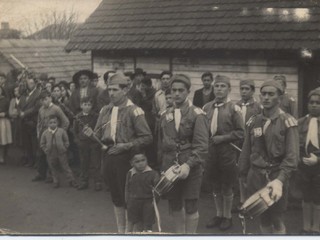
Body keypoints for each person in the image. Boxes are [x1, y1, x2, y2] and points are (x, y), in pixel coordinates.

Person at [83, 72, 152, 233]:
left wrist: (126, 146)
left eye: (115, 90)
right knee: (116, 198)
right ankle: (121, 232)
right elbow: (98, 135)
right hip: (108, 158)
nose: (111, 94)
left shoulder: (134, 111)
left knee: (129, 199)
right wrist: (91, 135)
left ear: (125, 90)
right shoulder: (105, 110)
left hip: (128, 159)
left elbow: (147, 137)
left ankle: (131, 232)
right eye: (109, 90)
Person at [238, 80, 299, 234]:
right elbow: (246, 151)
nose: (266, 97)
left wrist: (280, 180)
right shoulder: (254, 121)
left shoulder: (287, 122)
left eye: (271, 94)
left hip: (277, 176)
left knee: (277, 219)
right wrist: (243, 176)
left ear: (279, 98)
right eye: (263, 94)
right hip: (256, 175)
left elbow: (292, 157)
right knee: (263, 217)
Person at [158, 74, 208, 233]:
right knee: (174, 203)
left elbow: (202, 147)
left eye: (181, 90)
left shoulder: (197, 114)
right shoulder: (165, 114)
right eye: (174, 90)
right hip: (170, 165)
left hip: (190, 166)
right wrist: (163, 166)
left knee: (191, 204)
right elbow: (162, 143)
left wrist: (188, 165)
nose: (177, 94)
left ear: (188, 91)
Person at [203, 75, 244, 231]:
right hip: (211, 152)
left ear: (229, 89)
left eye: (222, 86)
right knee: (215, 185)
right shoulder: (206, 108)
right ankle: (219, 214)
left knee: (226, 185)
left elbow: (241, 133)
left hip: (227, 152)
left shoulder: (234, 108)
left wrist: (223, 138)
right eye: (216, 86)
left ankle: (227, 216)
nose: (219, 89)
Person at [33, 91, 69, 182]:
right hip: (43, 134)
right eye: (42, 100)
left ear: (50, 98)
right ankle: (41, 174)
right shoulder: (41, 109)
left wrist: (60, 133)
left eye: (45, 99)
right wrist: (38, 133)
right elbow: (39, 122)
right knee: (40, 154)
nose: (43, 102)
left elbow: (66, 121)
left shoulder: (56, 109)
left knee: (51, 155)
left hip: (53, 135)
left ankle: (51, 176)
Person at [297, 89, 320, 234]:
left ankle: (317, 227)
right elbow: (294, 144)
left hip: (319, 167)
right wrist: (300, 159)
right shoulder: (300, 122)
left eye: (318, 103)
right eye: (311, 102)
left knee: (318, 196)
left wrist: (317, 159)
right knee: (306, 195)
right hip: (304, 166)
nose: (314, 105)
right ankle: (306, 227)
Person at [40, 114, 77, 188]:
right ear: (47, 123)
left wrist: (64, 148)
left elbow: (66, 141)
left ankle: (71, 180)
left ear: (57, 123)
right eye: (50, 123)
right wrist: (45, 150)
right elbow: (42, 143)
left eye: (54, 122)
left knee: (65, 166)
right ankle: (56, 181)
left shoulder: (62, 131)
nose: (53, 124)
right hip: (50, 153)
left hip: (61, 152)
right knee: (53, 168)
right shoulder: (45, 133)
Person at [125, 154, 159, 232]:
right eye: (137, 161)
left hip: (148, 203)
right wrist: (127, 202)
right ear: (132, 163)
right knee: (136, 225)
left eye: (143, 160)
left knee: (148, 226)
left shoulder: (153, 174)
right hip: (134, 203)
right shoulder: (130, 173)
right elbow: (127, 188)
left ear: (147, 161)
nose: (141, 163)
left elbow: (157, 191)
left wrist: (154, 203)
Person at [73, 97, 102, 191]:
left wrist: (97, 139)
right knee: (84, 162)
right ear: (81, 105)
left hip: (93, 143)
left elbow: (99, 128)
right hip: (83, 143)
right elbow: (75, 131)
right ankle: (84, 181)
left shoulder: (96, 116)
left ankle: (97, 182)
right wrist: (78, 141)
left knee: (95, 163)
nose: (87, 107)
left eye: (89, 105)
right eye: (85, 104)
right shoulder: (78, 117)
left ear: (92, 106)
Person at [20, 77, 41, 167]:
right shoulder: (24, 95)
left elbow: (36, 107)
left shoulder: (38, 94)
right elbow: (20, 105)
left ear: (35, 84)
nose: (30, 85)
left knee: (34, 143)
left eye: (32, 83)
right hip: (24, 121)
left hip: (33, 121)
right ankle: (30, 160)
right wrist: (20, 112)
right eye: (29, 83)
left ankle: (37, 162)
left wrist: (24, 113)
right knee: (27, 142)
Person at [9, 85, 23, 150]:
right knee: (15, 135)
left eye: (17, 90)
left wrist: (16, 111)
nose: (16, 92)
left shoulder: (24, 99)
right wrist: (17, 113)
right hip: (14, 121)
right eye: (15, 91)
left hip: (22, 121)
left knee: (22, 136)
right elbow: (10, 112)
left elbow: (24, 111)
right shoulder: (12, 100)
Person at [0, 86, 12, 164]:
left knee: (2, 140)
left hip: (3, 122)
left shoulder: (6, 100)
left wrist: (5, 113)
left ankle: (1, 156)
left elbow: (10, 111)